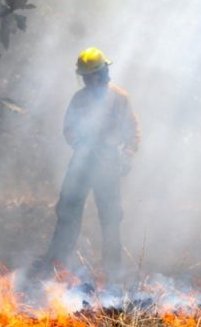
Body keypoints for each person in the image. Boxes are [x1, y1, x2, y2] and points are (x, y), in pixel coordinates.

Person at [36, 47, 140, 277]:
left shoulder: (119, 98)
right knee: (67, 211)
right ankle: (55, 264)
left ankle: (113, 271)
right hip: (82, 161)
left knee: (111, 217)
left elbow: (132, 132)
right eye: (84, 77)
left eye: (91, 76)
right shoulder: (79, 98)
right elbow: (69, 129)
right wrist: (80, 144)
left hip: (108, 162)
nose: (87, 81)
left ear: (102, 73)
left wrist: (127, 154)